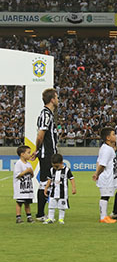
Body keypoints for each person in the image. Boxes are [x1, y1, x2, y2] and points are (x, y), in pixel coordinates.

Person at [34, 88, 59, 221]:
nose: (58, 100)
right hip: (46, 154)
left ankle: (43, 213)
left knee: (49, 182)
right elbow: (40, 135)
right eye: (57, 97)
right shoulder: (45, 114)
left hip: (50, 153)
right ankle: (40, 214)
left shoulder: (49, 114)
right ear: (52, 99)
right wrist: (37, 150)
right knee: (45, 183)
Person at [93, 127, 117, 224]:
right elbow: (102, 164)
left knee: (106, 196)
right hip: (106, 177)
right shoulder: (107, 149)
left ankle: (105, 216)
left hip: (107, 176)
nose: (115, 136)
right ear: (108, 138)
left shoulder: (106, 148)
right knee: (105, 196)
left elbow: (99, 161)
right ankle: (103, 217)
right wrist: (97, 174)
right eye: (113, 134)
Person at [43, 153, 75, 224]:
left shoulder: (66, 170)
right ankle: (50, 218)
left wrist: (73, 188)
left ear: (61, 163)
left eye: (57, 166)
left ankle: (61, 219)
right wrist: (46, 188)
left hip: (63, 193)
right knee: (51, 206)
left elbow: (71, 178)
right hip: (53, 192)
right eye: (54, 166)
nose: (55, 168)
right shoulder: (51, 170)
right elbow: (49, 179)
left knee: (62, 207)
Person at [13, 145, 35, 223]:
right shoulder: (18, 164)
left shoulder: (29, 164)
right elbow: (17, 175)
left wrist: (31, 171)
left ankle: (29, 216)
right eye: (28, 153)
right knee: (19, 202)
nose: (30, 154)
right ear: (22, 154)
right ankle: (18, 217)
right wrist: (26, 171)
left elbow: (32, 175)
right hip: (20, 188)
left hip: (27, 187)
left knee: (27, 202)